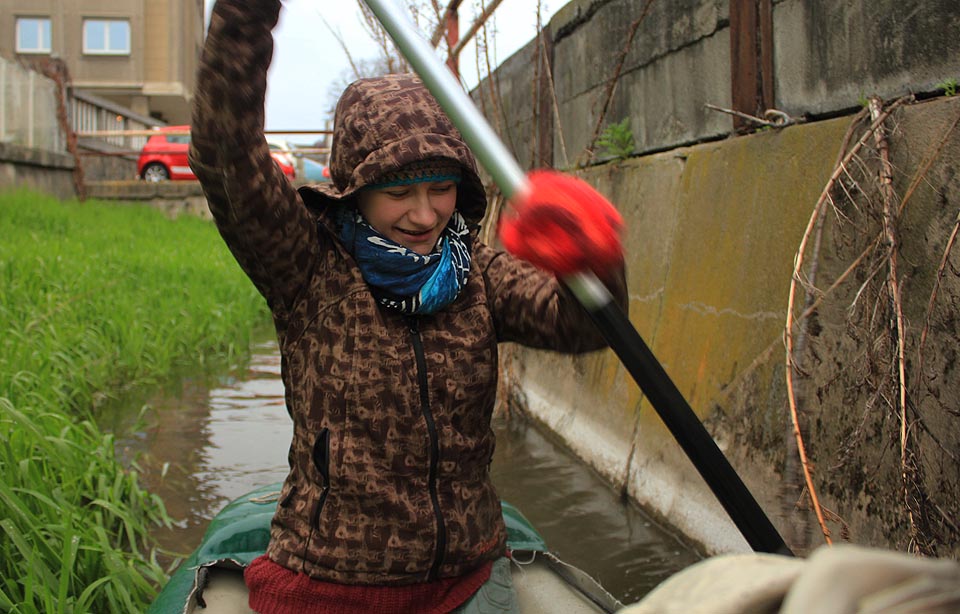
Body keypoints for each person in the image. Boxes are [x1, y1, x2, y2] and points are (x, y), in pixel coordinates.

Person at [189, 1, 627, 612]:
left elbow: (577, 325)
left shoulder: (474, 271)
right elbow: (225, 152)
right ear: (356, 193)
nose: (425, 215)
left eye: (441, 188)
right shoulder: (305, 265)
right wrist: (244, 15)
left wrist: (595, 259)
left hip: (467, 574)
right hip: (329, 583)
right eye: (398, 192)